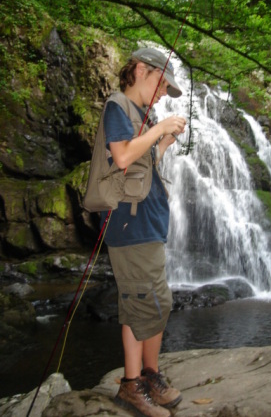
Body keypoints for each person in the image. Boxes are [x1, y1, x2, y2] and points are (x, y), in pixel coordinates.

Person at [100, 47, 186, 417]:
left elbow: (140, 167)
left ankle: (150, 375)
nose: (163, 93)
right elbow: (120, 157)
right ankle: (131, 386)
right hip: (129, 226)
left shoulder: (142, 116)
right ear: (140, 70)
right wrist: (159, 129)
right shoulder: (117, 106)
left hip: (150, 224)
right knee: (139, 303)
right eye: (161, 83)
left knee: (159, 303)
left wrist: (163, 142)